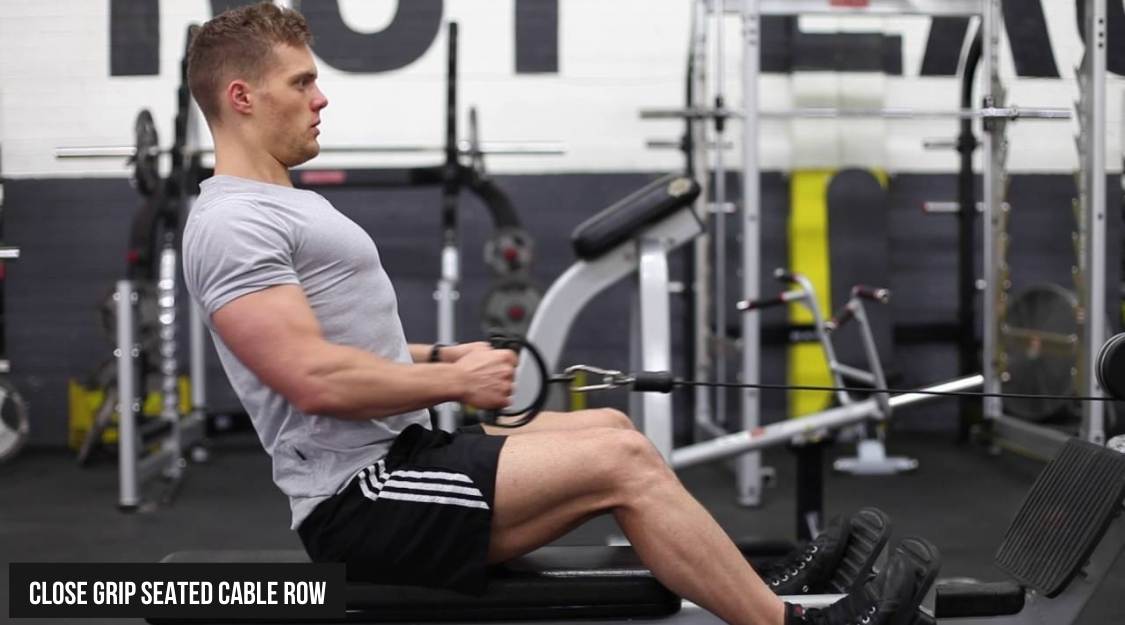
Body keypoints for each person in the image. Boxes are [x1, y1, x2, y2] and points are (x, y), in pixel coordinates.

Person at [182, 4, 930, 625]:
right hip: (361, 501)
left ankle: (760, 585)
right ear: (242, 97)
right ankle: (791, 623)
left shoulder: (283, 203)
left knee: (610, 430)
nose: (320, 98)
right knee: (620, 464)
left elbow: (339, 344)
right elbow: (310, 377)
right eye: (302, 81)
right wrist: (453, 384)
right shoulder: (234, 222)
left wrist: (441, 357)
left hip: (401, 458)